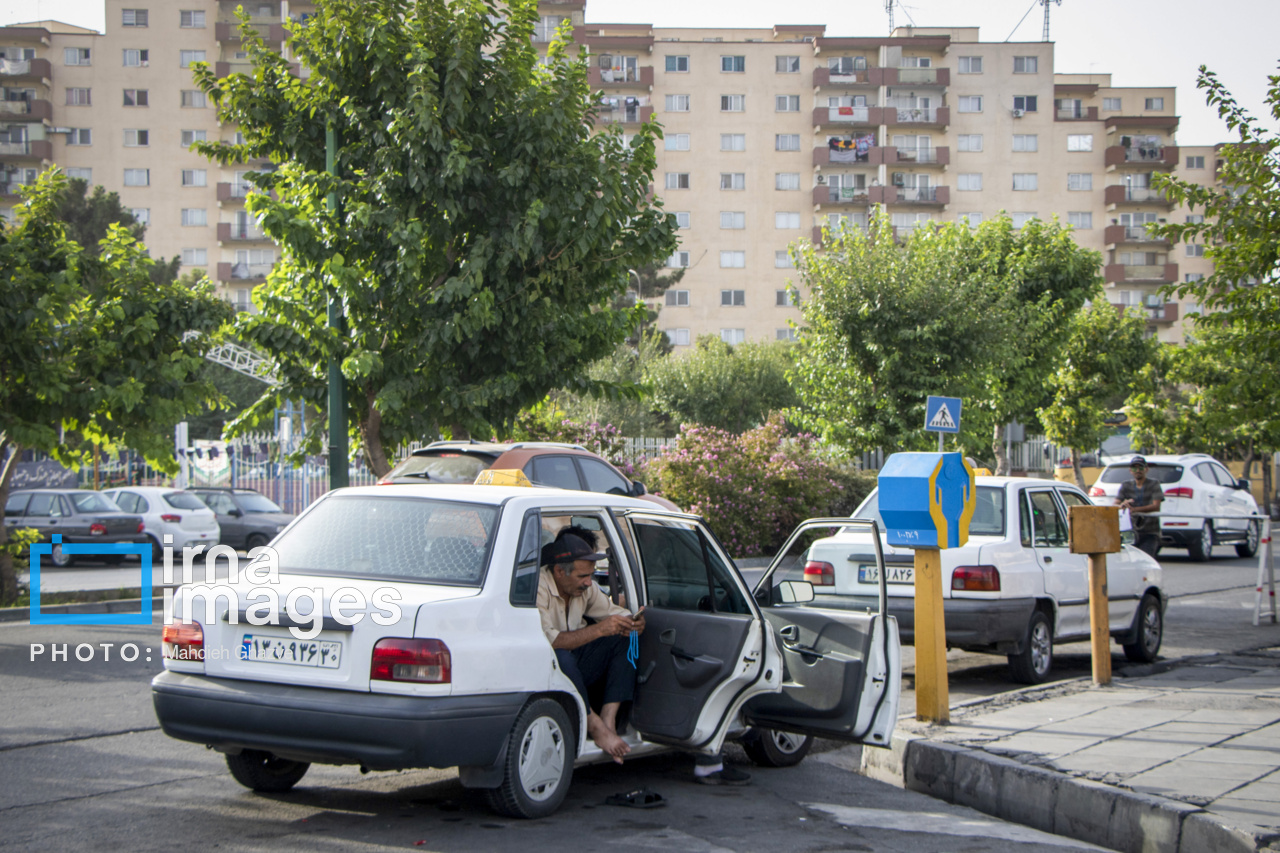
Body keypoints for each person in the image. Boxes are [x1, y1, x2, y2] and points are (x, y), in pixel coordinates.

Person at [537, 529, 645, 763]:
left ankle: (608, 720)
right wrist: (600, 629)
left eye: (591, 575)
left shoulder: (585, 587)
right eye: (582, 576)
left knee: (627, 640)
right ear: (559, 571)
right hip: (546, 670)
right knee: (561, 656)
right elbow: (551, 641)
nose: (588, 582)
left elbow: (612, 612)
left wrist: (632, 622)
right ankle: (593, 725)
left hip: (577, 663)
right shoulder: (539, 587)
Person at [1116, 455, 1164, 558]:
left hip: (1150, 531)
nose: (1138, 470)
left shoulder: (1154, 484)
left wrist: (1134, 510)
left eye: (1141, 467)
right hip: (1131, 531)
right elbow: (1115, 504)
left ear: (1146, 469)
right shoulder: (1126, 485)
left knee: (1146, 558)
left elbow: (1156, 506)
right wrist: (1122, 505)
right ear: (1130, 470)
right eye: (1134, 468)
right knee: (1131, 560)